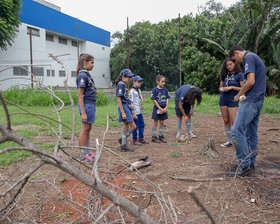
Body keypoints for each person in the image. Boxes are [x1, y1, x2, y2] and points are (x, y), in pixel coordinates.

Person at [229, 45, 266, 177]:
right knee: (251, 132)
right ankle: (250, 163)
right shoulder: (254, 57)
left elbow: (250, 82)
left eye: (236, 59)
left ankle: (244, 164)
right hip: (258, 100)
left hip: (251, 100)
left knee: (236, 131)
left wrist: (239, 95)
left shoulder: (249, 57)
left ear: (237, 53)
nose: (238, 62)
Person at [219, 58, 244, 147]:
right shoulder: (224, 75)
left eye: (230, 65)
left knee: (234, 122)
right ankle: (229, 140)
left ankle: (237, 141)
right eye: (227, 66)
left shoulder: (239, 75)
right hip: (223, 99)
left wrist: (232, 87)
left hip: (233, 100)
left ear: (235, 64)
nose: (228, 67)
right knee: (226, 121)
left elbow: (243, 88)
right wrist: (222, 89)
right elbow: (220, 88)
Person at [76, 53, 96, 162]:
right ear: (85, 62)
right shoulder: (82, 76)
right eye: (92, 63)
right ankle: (83, 155)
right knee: (84, 129)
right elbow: (80, 95)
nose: (93, 65)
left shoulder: (86, 75)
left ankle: (88, 152)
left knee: (88, 129)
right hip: (86, 105)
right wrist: (83, 113)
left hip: (90, 105)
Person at [116, 69, 137, 152]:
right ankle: (123, 141)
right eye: (128, 77)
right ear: (123, 77)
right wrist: (123, 112)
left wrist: (131, 104)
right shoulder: (120, 85)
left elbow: (126, 98)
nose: (130, 79)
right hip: (124, 107)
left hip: (126, 106)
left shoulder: (124, 85)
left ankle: (123, 143)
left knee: (126, 126)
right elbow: (118, 99)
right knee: (133, 126)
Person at [129, 75, 149, 145]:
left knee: (142, 124)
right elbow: (131, 102)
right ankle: (134, 139)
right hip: (135, 112)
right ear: (133, 82)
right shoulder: (132, 91)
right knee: (135, 126)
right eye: (138, 82)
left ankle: (141, 138)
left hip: (140, 111)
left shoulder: (139, 90)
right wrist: (133, 112)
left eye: (141, 82)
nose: (140, 83)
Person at [151, 75, 170, 143]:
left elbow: (167, 98)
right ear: (158, 82)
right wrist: (159, 108)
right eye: (162, 82)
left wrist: (166, 107)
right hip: (157, 108)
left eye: (164, 82)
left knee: (162, 122)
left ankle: (161, 136)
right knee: (155, 122)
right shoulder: (155, 90)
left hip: (164, 107)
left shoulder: (165, 90)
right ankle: (153, 136)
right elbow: (154, 100)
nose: (163, 83)